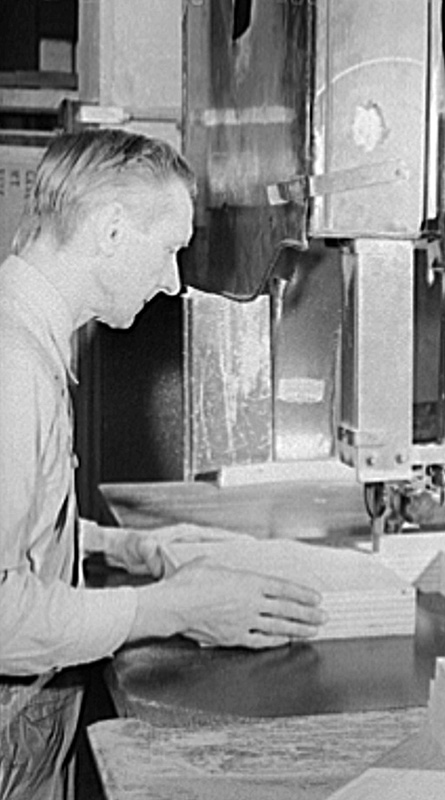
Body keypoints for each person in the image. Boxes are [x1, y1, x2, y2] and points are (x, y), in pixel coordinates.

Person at [0, 128, 325, 799]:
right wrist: (173, 607)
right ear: (112, 231)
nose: (173, 279)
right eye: (171, 248)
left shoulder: (27, 336)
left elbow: (21, 527)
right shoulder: (12, 368)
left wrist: (126, 545)